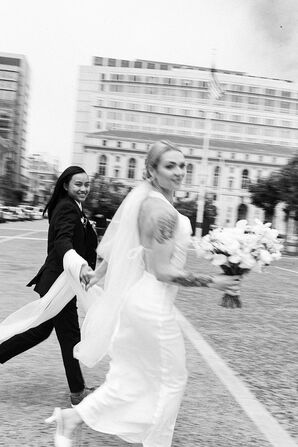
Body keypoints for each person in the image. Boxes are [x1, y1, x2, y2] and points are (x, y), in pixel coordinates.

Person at [45, 141, 240, 447]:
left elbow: (125, 245)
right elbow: (162, 271)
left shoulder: (148, 201)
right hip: (152, 306)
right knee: (173, 380)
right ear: (152, 170)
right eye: (169, 166)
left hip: (140, 302)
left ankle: (71, 418)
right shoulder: (163, 213)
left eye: (182, 165)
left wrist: (99, 273)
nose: (178, 172)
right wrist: (216, 282)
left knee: (131, 378)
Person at [0, 166, 98, 406]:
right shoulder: (66, 207)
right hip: (59, 282)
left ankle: (77, 390)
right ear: (66, 185)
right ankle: (77, 392)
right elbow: (63, 241)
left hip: (64, 282)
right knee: (69, 336)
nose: (84, 188)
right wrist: (79, 265)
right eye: (78, 184)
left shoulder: (73, 207)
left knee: (41, 332)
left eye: (86, 184)